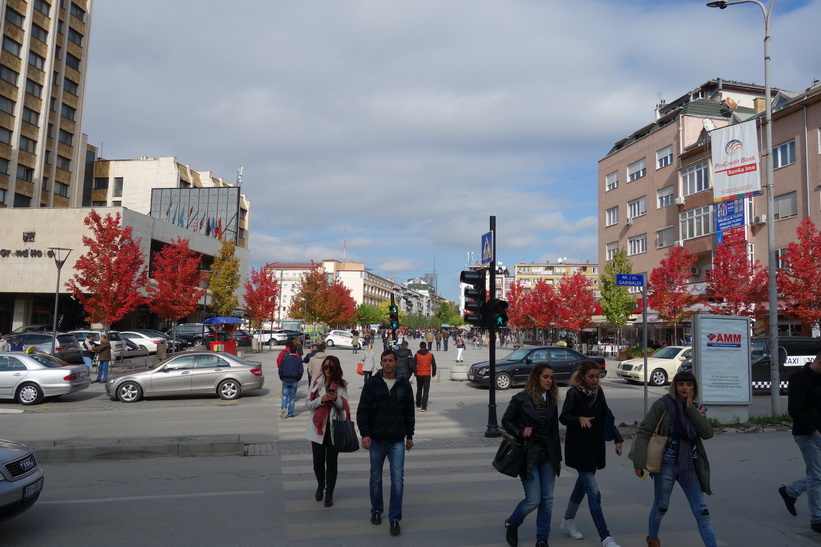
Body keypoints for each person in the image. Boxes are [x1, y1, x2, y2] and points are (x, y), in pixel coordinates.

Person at [632, 370, 716, 547]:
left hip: (690, 465)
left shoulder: (698, 408)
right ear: (674, 386)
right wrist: (639, 463)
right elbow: (645, 431)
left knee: (702, 511)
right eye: (681, 384)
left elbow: (707, 433)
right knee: (661, 506)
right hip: (666, 464)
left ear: (694, 387)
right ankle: (653, 539)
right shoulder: (663, 405)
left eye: (689, 384)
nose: (685, 388)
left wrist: (690, 408)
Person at [559, 360, 623, 547]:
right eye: (591, 376)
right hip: (579, 449)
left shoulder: (598, 392)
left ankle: (567, 521)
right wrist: (579, 419)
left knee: (582, 487)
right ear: (582, 376)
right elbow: (563, 418)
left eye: (597, 376)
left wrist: (618, 438)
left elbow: (606, 416)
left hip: (595, 448)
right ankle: (606, 537)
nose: (595, 380)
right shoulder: (574, 393)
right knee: (594, 493)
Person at [501, 363, 562, 547]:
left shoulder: (551, 400)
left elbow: (554, 432)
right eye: (545, 377)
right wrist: (521, 431)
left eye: (551, 377)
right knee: (534, 499)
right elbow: (505, 421)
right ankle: (513, 522)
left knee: (548, 499)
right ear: (536, 378)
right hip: (528, 455)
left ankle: (542, 539)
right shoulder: (521, 399)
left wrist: (558, 459)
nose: (549, 380)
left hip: (548, 455)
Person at [357, 349, 415, 537]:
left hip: (397, 440)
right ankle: (376, 509)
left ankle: (395, 518)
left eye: (391, 360)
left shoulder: (404, 384)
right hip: (377, 440)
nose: (388, 363)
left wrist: (410, 436)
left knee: (397, 478)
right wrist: (365, 434)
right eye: (385, 361)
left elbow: (409, 412)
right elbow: (362, 411)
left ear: (396, 363)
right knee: (376, 477)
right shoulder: (372, 384)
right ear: (380, 363)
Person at [780, 351, 821, 534]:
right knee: (817, 476)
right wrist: (814, 431)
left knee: (817, 475)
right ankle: (817, 519)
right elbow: (795, 409)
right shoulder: (799, 378)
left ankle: (791, 492)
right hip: (809, 435)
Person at [305, 355, 349, 508]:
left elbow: (343, 406)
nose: (328, 370)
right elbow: (308, 404)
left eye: (331, 367)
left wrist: (336, 398)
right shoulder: (316, 382)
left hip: (333, 429)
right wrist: (321, 400)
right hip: (318, 428)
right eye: (326, 367)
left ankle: (329, 492)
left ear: (336, 368)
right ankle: (320, 485)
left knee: (331, 463)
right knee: (318, 463)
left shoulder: (341, 385)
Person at [279, 341, 304, 418]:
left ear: (289, 351)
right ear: (296, 351)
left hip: (286, 379)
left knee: (285, 395)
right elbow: (301, 371)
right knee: (292, 397)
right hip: (294, 380)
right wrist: (298, 378)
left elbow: (280, 370)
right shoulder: (298, 360)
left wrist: (282, 378)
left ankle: (283, 407)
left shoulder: (284, 359)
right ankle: (290, 413)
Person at [412, 342, 436, 412]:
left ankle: (418, 403)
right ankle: (424, 406)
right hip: (427, 374)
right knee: (426, 391)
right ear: (426, 347)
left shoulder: (416, 355)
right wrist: (433, 373)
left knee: (419, 389)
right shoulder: (430, 354)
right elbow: (434, 364)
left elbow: (414, 365)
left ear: (420, 347)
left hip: (419, 373)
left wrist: (415, 373)